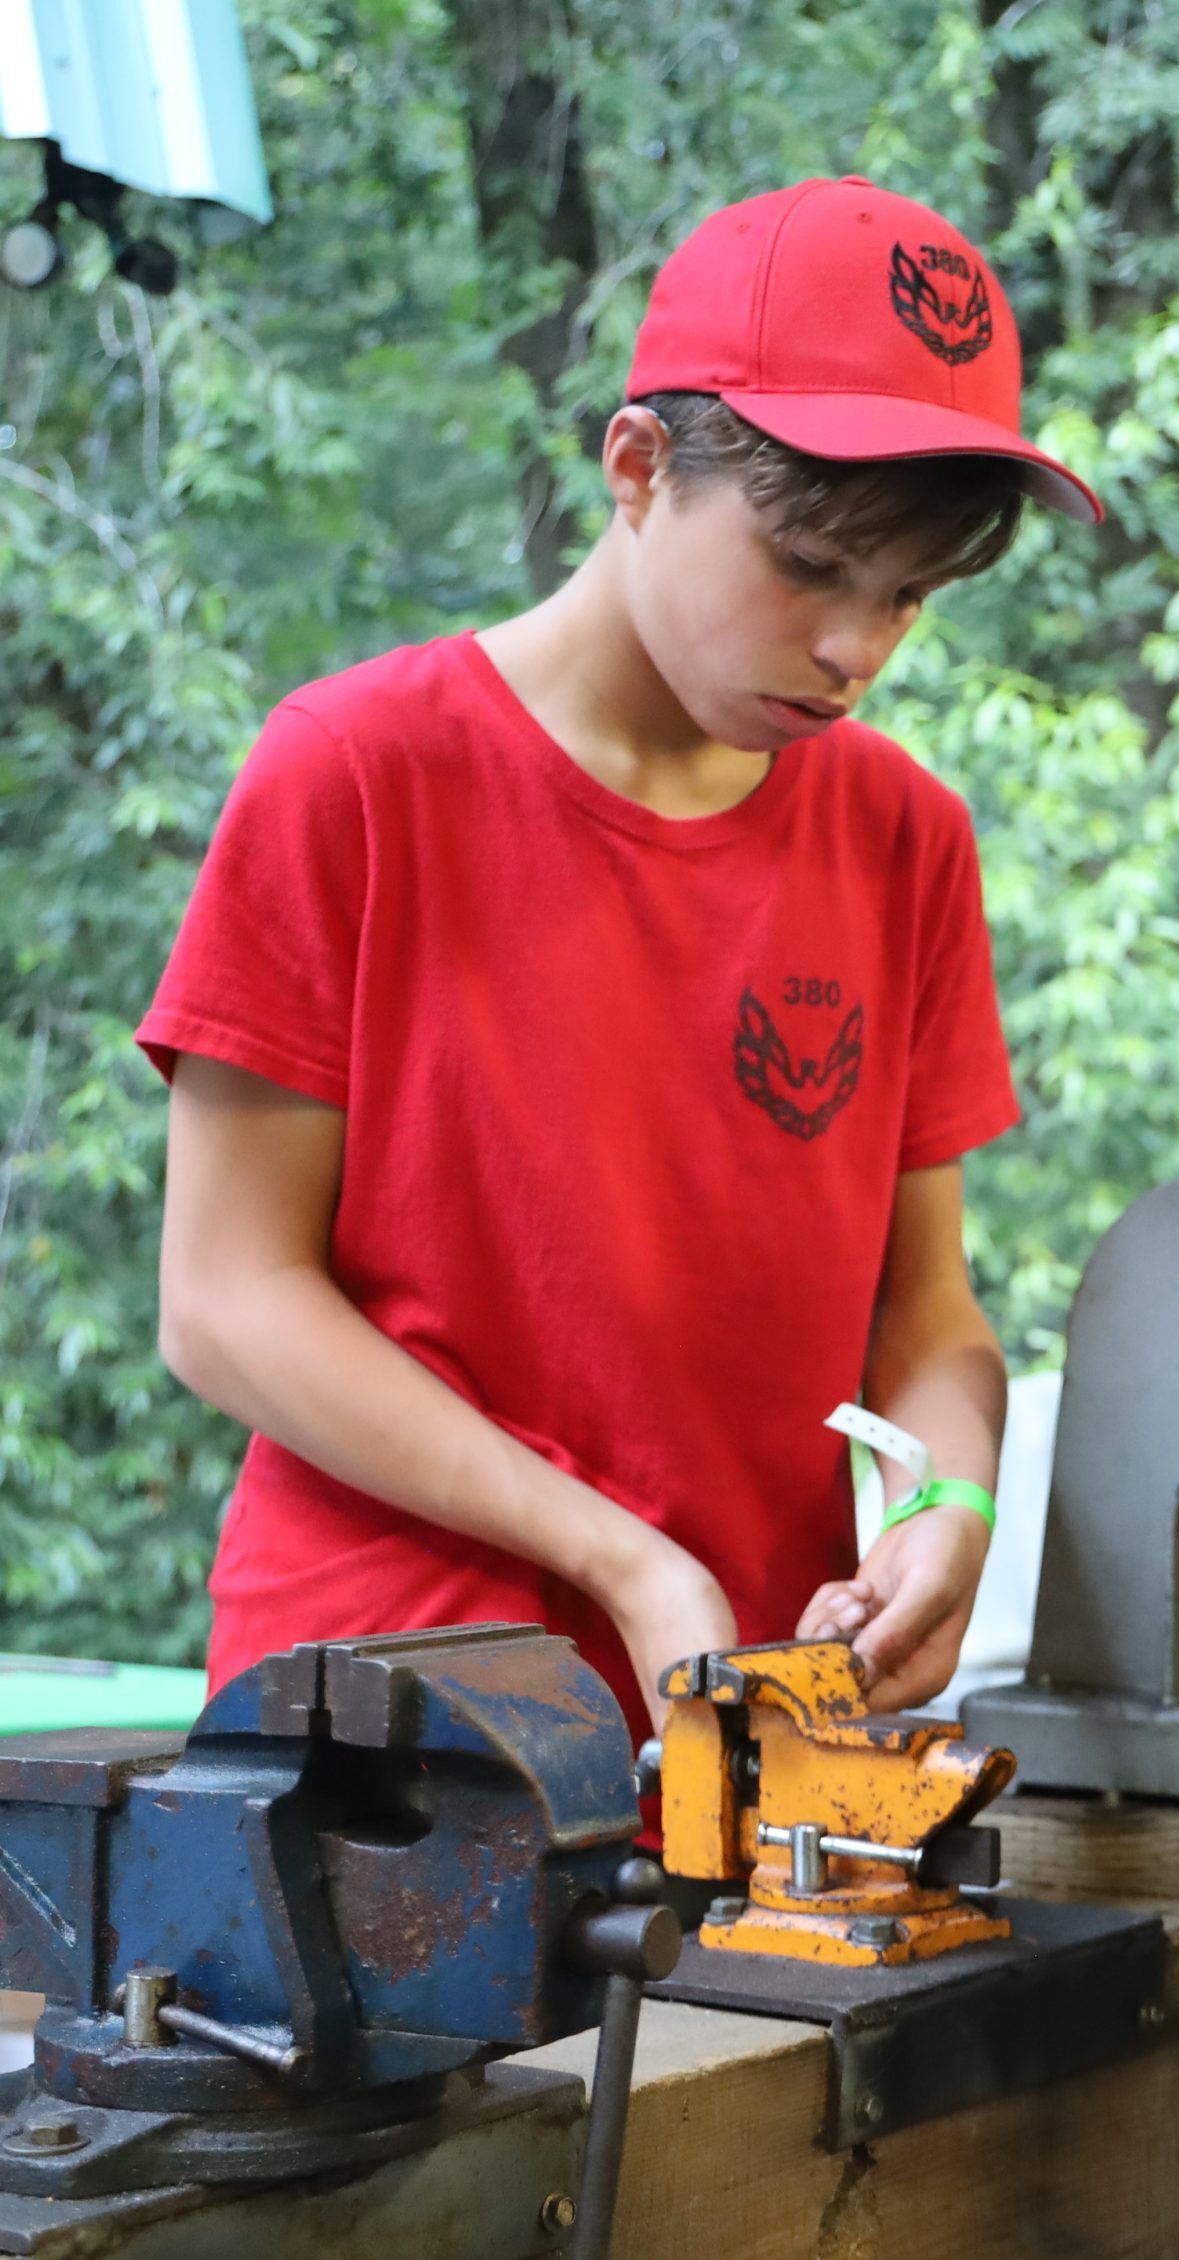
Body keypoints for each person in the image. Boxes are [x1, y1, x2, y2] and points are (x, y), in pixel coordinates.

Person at [143, 177, 1100, 1743]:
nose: (861, 648)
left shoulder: (904, 837)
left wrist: (946, 1506)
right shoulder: (356, 771)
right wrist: (617, 1556)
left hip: (753, 1716)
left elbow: (926, 1313)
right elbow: (228, 1299)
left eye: (912, 593)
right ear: (641, 466)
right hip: (391, 1724)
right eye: (810, 564)